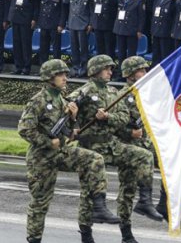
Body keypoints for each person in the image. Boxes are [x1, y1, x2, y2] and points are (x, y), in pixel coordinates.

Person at [18, 58, 119, 243]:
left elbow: (64, 130)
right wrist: (48, 142)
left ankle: (99, 206)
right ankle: (34, 240)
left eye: (65, 74)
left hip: (61, 152)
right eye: (60, 75)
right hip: (41, 158)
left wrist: (72, 121)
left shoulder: (63, 99)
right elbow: (24, 129)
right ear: (49, 77)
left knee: (94, 159)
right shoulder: (38, 101)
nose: (65, 78)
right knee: (40, 203)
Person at [67, 55, 160, 243]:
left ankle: (144, 202)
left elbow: (123, 117)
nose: (110, 72)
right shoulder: (84, 92)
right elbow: (66, 114)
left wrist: (108, 117)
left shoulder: (112, 91)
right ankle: (87, 236)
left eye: (111, 68)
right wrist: (72, 116)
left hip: (111, 144)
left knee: (143, 157)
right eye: (106, 69)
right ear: (95, 71)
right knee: (88, 193)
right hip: (90, 148)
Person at [118, 56, 166, 222]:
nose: (145, 73)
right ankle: (126, 232)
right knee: (127, 190)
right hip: (130, 144)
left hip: (145, 142)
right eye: (141, 71)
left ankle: (163, 204)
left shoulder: (146, 93)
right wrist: (129, 133)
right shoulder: (123, 96)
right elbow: (115, 124)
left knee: (169, 161)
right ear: (130, 74)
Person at [6, 0, 39, 75]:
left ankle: (26, 67)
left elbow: (36, 4)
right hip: (15, 16)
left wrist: (34, 18)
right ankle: (18, 66)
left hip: (26, 17)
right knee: (16, 43)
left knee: (25, 43)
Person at [36, 0, 65, 65]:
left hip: (55, 23)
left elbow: (63, 10)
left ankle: (57, 67)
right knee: (43, 47)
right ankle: (43, 66)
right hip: (44, 22)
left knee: (56, 48)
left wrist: (61, 24)